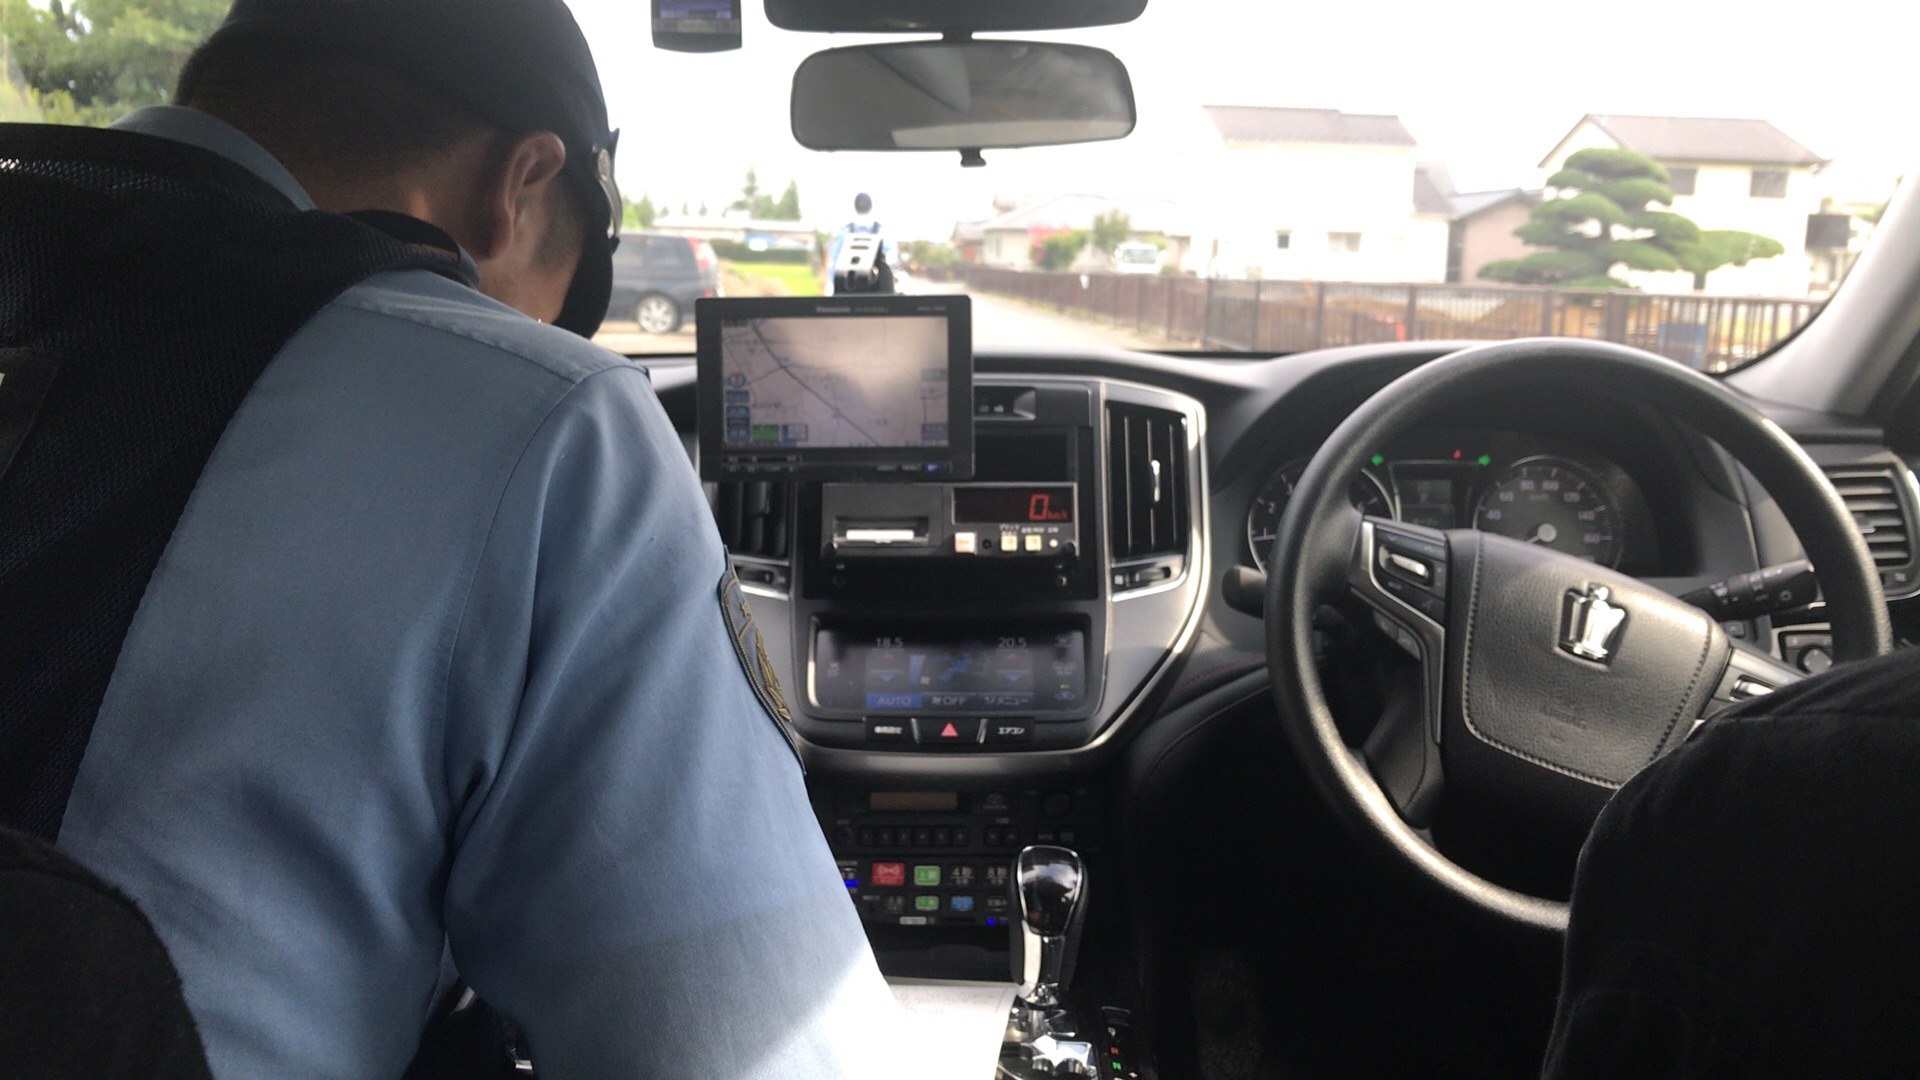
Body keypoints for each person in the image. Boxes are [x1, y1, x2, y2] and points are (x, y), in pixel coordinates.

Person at [2, 1, 904, 1076]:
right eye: (547, 308)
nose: (528, 335)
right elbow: (753, 1048)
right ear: (514, 186)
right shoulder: (539, 416)